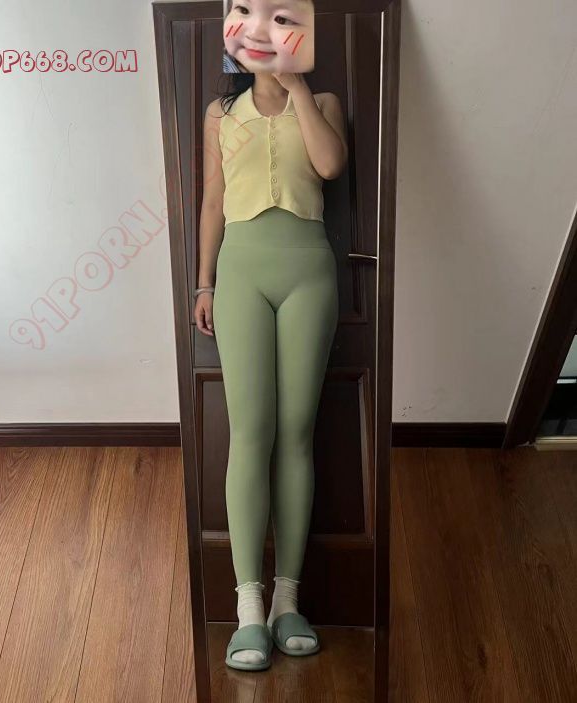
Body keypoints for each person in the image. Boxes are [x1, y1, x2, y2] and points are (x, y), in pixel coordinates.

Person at [196, 69, 347, 671]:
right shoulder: (221, 112)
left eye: (285, 22)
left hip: (310, 272)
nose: (271, 30)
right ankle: (248, 610)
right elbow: (212, 199)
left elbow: (330, 166)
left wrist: (298, 91)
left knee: (296, 432)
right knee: (250, 432)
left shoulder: (324, 101)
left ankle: (288, 602)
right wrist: (204, 283)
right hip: (240, 273)